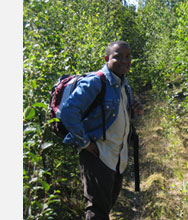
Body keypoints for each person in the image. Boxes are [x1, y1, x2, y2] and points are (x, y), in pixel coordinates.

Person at [60, 41, 143, 220]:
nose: (124, 61)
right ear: (106, 59)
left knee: (105, 208)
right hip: (98, 156)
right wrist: (85, 143)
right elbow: (67, 112)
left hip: (117, 158)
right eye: (117, 56)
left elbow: (116, 117)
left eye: (128, 56)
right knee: (97, 211)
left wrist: (134, 109)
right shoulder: (96, 82)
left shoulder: (124, 86)